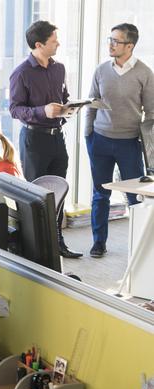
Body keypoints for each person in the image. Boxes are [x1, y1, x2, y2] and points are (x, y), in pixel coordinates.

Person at [9, 20, 82, 259]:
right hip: (34, 140)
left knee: (58, 190)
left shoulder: (59, 68)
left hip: (56, 138)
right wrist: (42, 111)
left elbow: (64, 97)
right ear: (39, 44)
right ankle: (34, 247)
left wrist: (69, 108)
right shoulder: (21, 73)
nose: (58, 43)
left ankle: (57, 242)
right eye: (54, 40)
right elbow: (15, 109)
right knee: (36, 194)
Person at [84, 23, 154, 258]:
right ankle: (98, 242)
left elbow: (151, 114)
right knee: (100, 193)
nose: (110, 44)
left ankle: (139, 247)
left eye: (116, 41)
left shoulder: (144, 73)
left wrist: (147, 146)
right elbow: (91, 104)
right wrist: (88, 135)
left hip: (129, 143)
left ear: (130, 46)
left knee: (136, 196)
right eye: (109, 39)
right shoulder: (101, 70)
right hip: (100, 140)